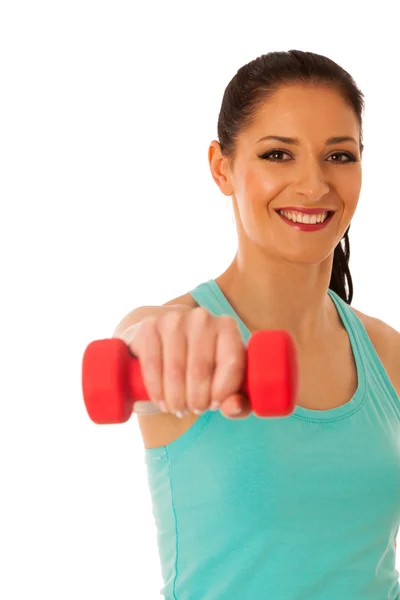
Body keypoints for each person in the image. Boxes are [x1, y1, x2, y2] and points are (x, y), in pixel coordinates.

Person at [113, 50, 400, 599]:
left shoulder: (386, 351)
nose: (314, 186)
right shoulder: (185, 335)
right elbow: (142, 337)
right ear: (222, 167)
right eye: (278, 154)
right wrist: (156, 335)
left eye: (339, 156)